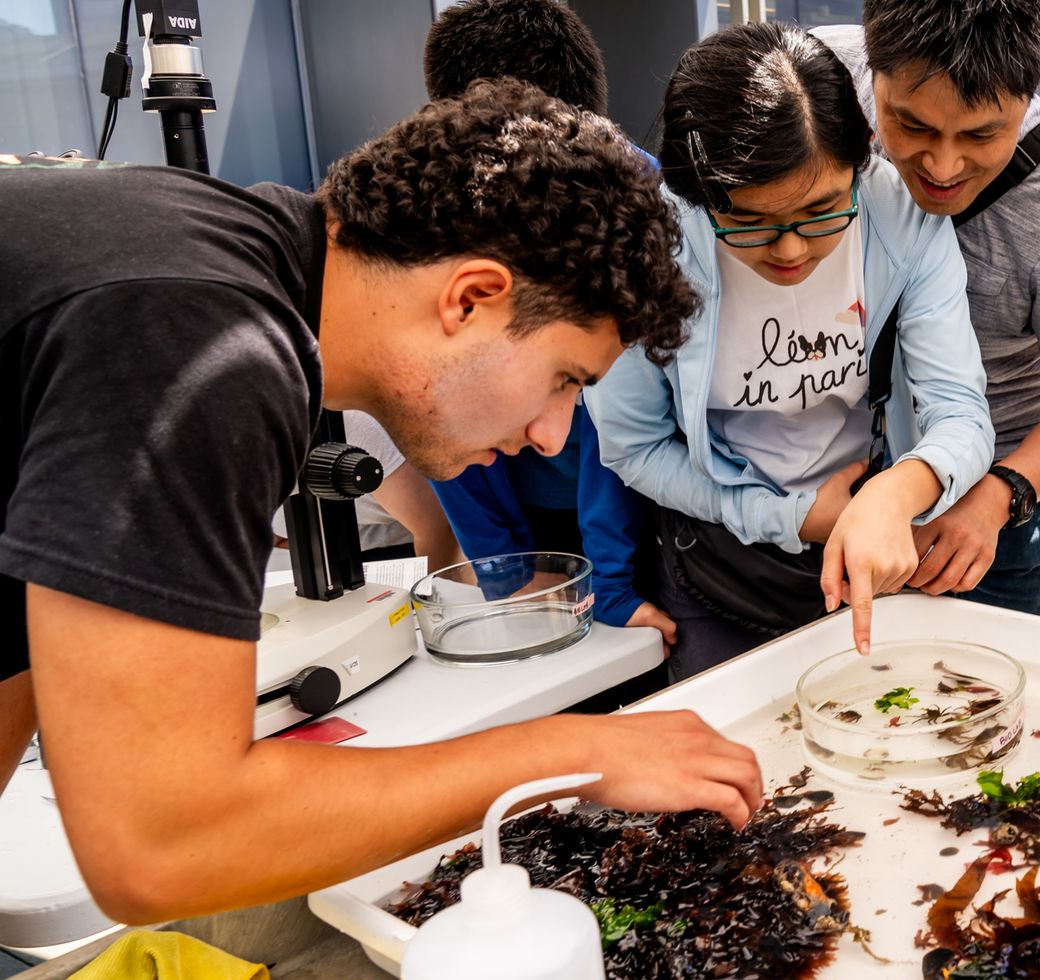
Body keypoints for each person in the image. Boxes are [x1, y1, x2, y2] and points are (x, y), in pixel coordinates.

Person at [0, 81, 763, 925]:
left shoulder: (214, 257)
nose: (553, 436)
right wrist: (577, 751)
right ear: (470, 297)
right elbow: (160, 847)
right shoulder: (210, 347)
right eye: (564, 381)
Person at [588, 22, 994, 675]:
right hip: (718, 570)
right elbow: (633, 447)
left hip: (880, 545)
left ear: (861, 160)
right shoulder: (646, 245)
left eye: (822, 210)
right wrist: (793, 516)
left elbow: (963, 416)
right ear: (697, 194)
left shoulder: (901, 218)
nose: (791, 250)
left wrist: (893, 495)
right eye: (749, 222)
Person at [811, 0, 1040, 620]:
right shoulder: (815, 83)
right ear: (871, 72)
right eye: (911, 126)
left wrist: (996, 497)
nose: (942, 166)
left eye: (982, 134)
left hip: (993, 509)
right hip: (822, 481)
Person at [418, 0, 678, 640]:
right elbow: (440, 405)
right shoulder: (442, 214)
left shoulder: (643, 205)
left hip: (640, 495)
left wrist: (612, 583)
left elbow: (615, 411)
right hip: (523, 501)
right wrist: (501, 568)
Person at [272, 409, 466, 570]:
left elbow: (440, 530)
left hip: (420, 547)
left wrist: (433, 604)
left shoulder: (353, 427)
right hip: (333, 546)